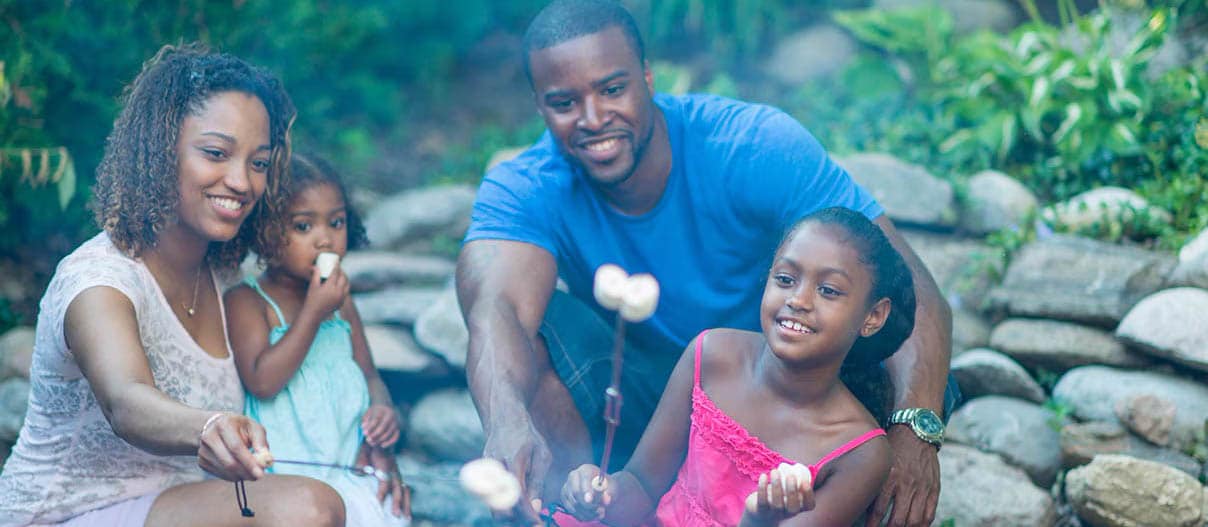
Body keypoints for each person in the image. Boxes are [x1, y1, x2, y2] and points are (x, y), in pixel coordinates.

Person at [457, 1, 958, 526]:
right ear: (539, 106)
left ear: (648, 78)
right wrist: (505, 420)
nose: (593, 118)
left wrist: (913, 429)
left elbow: (909, 289)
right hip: (655, 394)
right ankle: (563, 507)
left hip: (793, 395)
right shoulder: (525, 187)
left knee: (908, 370)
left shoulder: (751, 146)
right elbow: (497, 308)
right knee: (532, 331)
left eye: (612, 89)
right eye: (564, 102)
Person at [0, 44, 347, 526]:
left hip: (174, 506)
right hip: (65, 513)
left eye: (259, 163)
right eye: (216, 153)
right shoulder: (98, 281)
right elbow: (126, 399)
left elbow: (298, 380)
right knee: (307, 509)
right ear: (160, 150)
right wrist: (207, 426)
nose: (242, 181)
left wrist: (370, 453)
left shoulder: (227, 278)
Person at [559, 206, 914, 526]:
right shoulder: (711, 354)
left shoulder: (860, 452)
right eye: (786, 279)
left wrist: (758, 520)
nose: (798, 300)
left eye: (829, 290)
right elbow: (642, 485)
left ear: (873, 316)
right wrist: (601, 495)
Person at [224, 152, 411, 525]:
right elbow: (262, 381)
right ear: (264, 232)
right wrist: (312, 312)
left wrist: (383, 411)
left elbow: (370, 375)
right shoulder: (247, 301)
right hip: (287, 475)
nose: (325, 239)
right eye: (303, 226)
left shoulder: (342, 304)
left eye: (336, 222)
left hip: (350, 467)